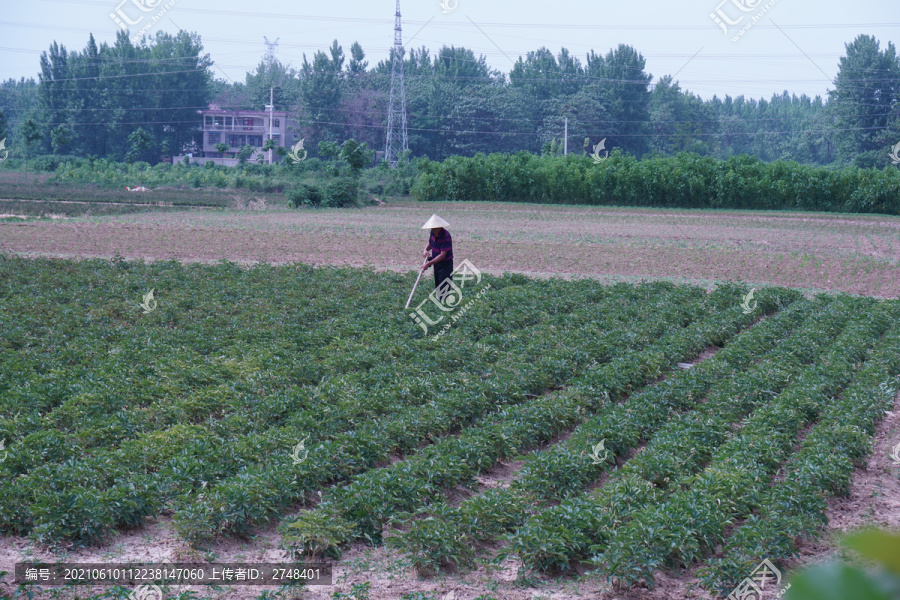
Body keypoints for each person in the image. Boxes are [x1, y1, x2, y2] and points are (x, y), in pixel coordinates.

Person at [421, 214, 454, 293]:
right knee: (438, 285)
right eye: (432, 228)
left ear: (439, 227)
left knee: (444, 286)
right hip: (436, 262)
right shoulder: (432, 232)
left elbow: (443, 255)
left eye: (435, 228)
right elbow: (430, 243)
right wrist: (425, 250)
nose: (433, 229)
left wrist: (428, 263)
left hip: (445, 264)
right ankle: (439, 301)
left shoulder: (445, 236)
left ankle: (444, 302)